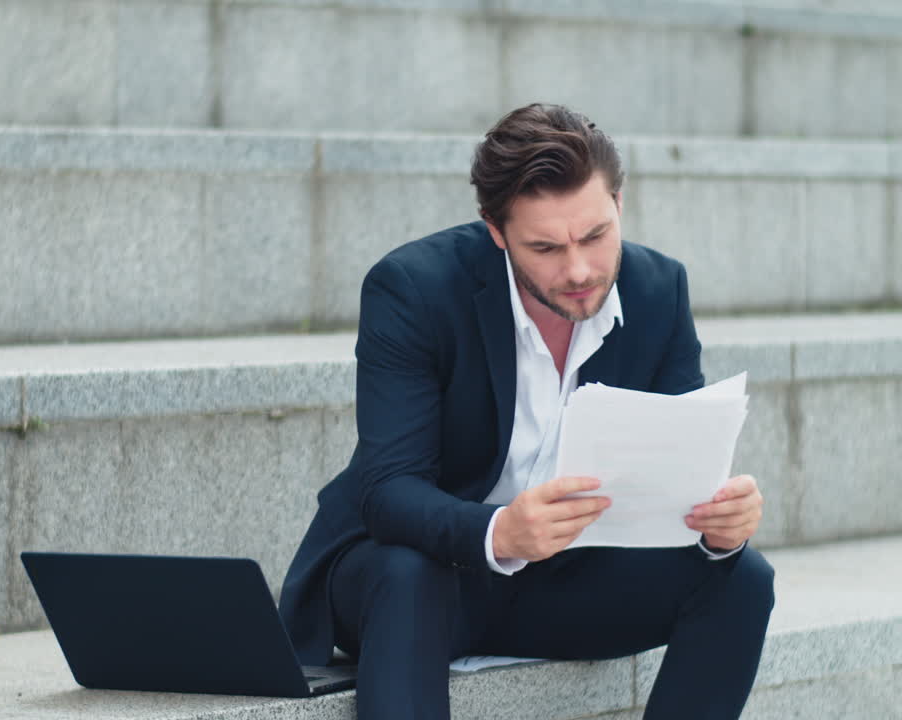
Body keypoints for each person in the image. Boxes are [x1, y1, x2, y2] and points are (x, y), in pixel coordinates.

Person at [279, 103, 775, 719]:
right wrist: (499, 532)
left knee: (742, 575)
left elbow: (677, 470)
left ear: (619, 205)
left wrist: (719, 522)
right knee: (409, 574)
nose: (578, 270)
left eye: (596, 235)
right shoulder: (413, 288)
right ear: (495, 230)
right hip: (424, 576)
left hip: (566, 583)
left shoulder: (658, 290)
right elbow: (389, 491)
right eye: (545, 247)